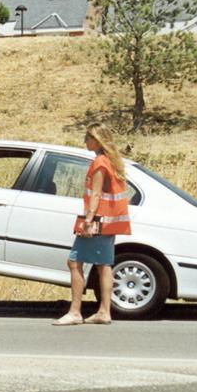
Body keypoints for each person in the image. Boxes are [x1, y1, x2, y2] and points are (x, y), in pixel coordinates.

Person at [53, 122, 132, 326]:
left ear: (96, 140)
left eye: (87, 138)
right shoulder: (112, 161)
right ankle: (104, 311)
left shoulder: (99, 163)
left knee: (74, 261)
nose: (85, 141)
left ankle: (75, 311)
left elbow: (95, 193)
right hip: (110, 222)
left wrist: (88, 220)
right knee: (103, 266)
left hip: (97, 222)